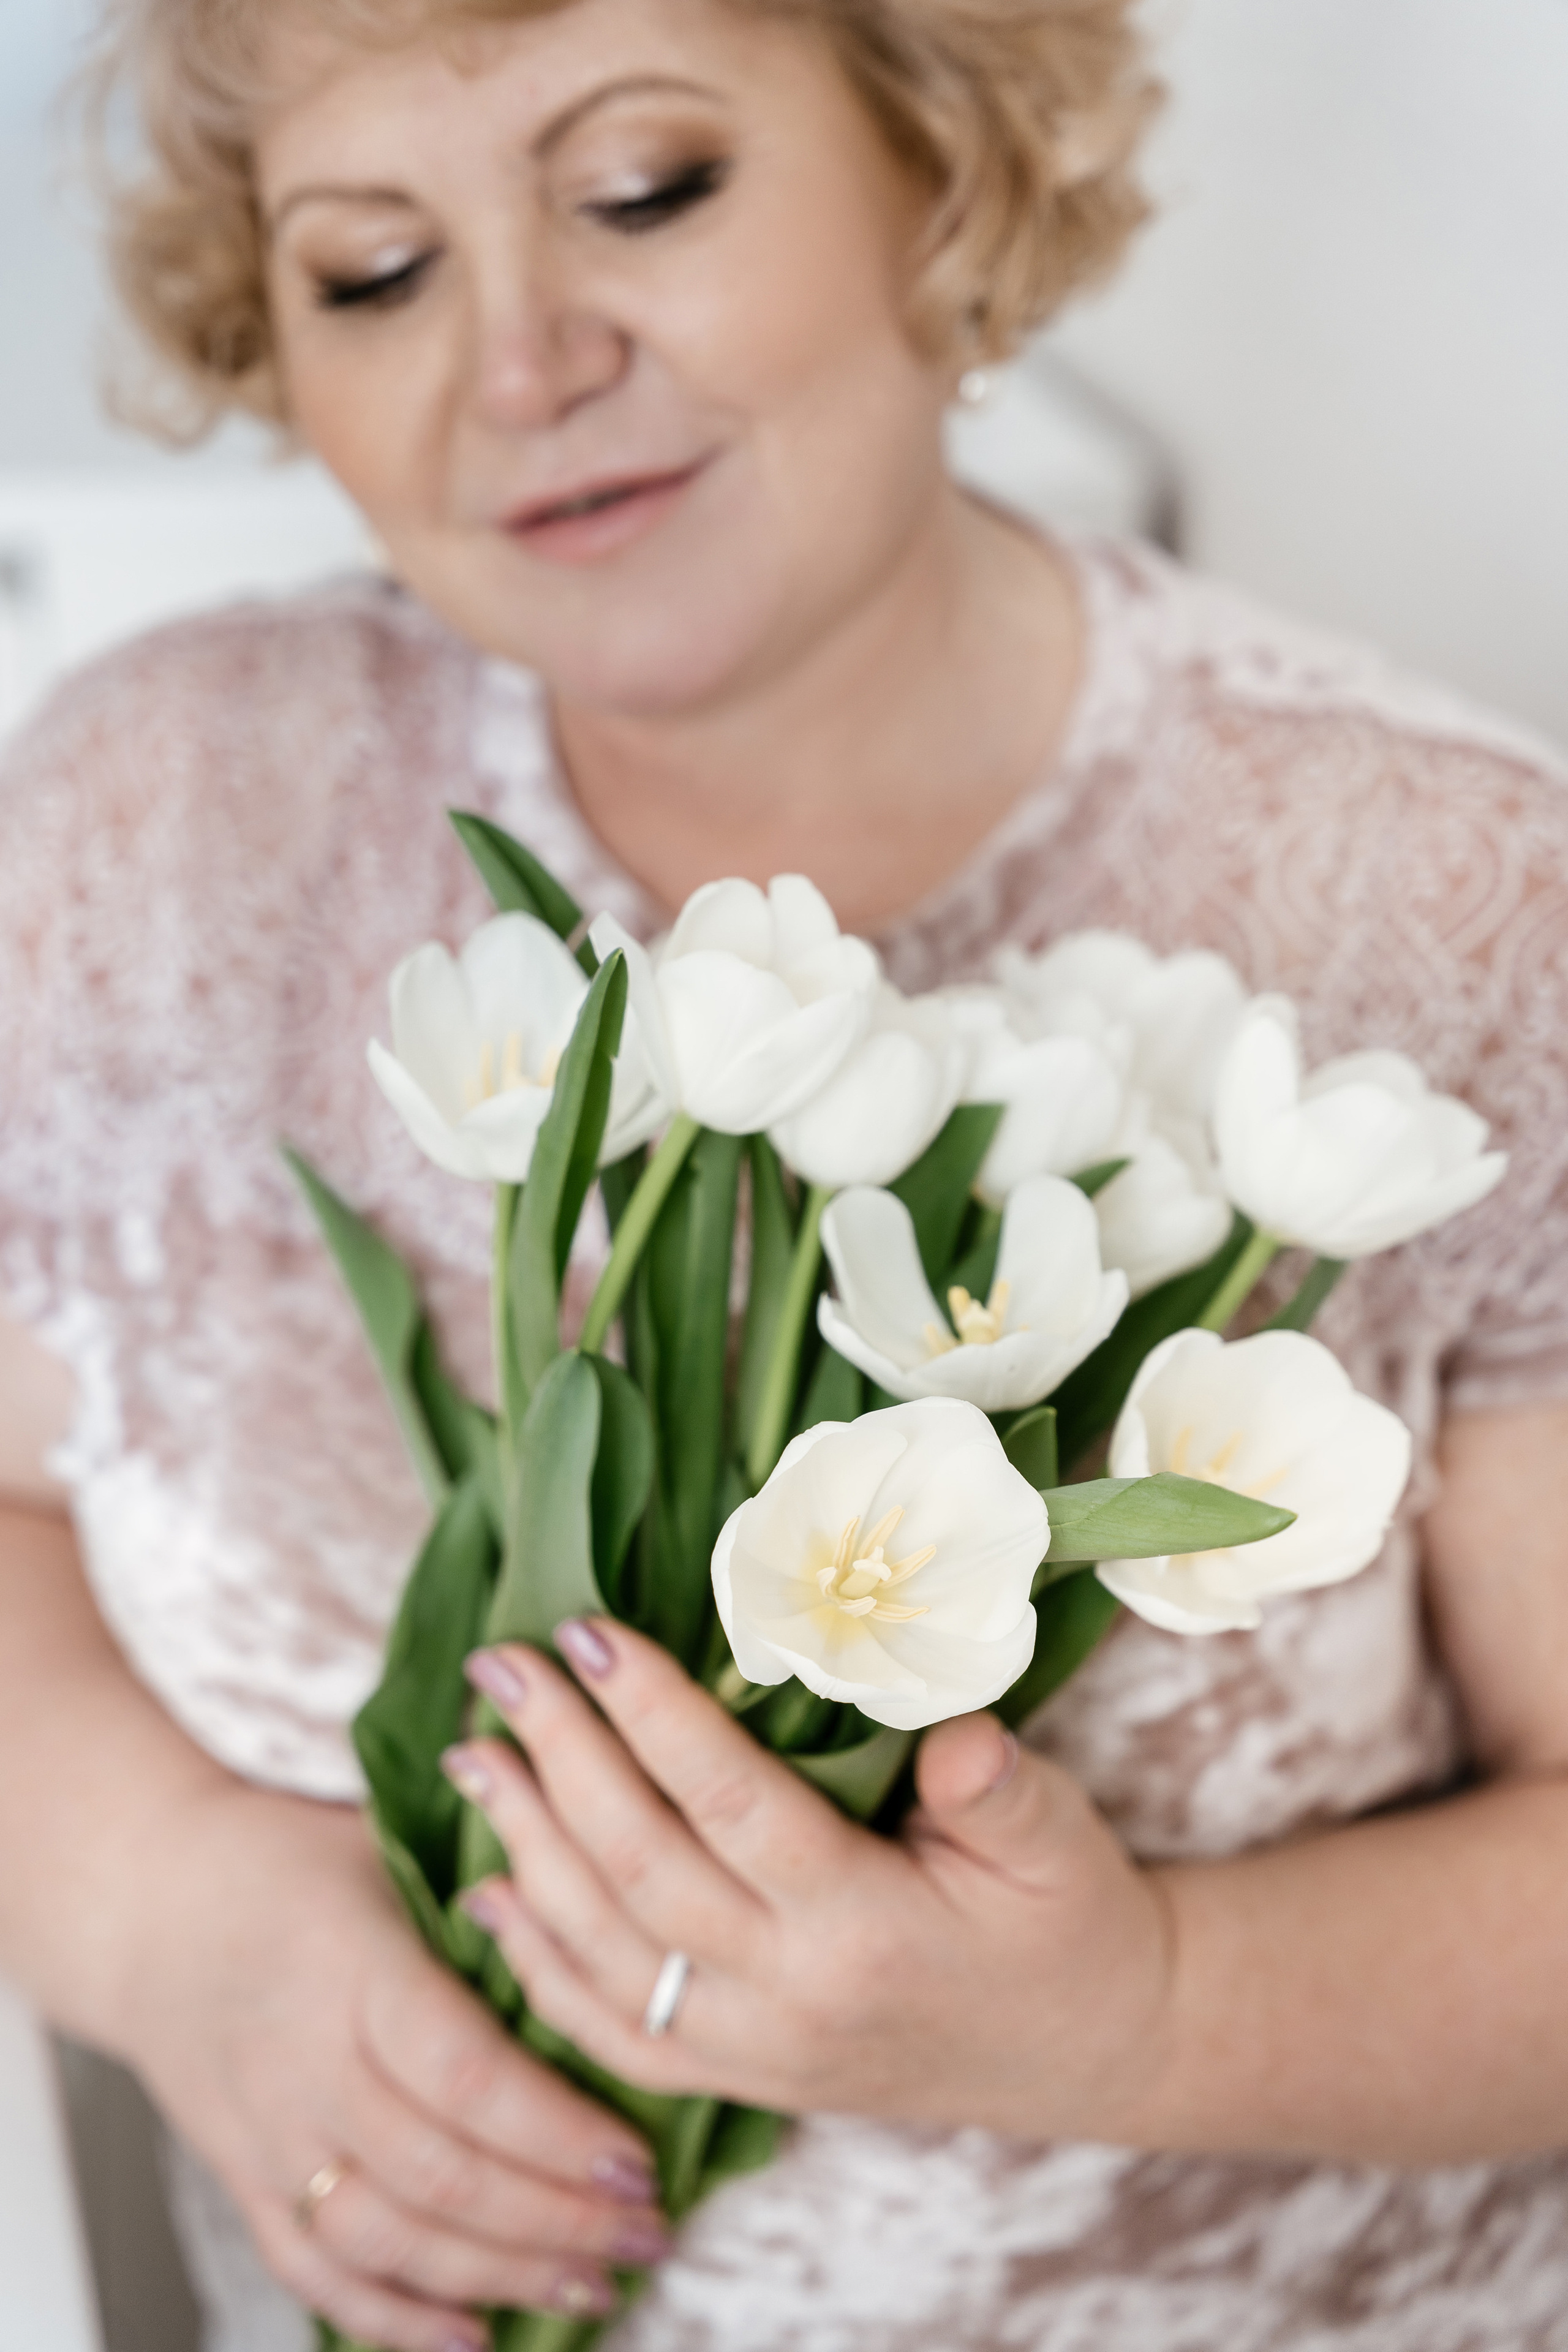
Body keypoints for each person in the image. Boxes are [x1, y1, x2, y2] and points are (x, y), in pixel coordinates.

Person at [2, 1, 1567, 2347]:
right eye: (371, 271)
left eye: (644, 190)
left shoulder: (1434, 899)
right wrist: (177, 1921)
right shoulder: (161, 820)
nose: (519, 358)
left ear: (941, 172)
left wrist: (1127, 2020)